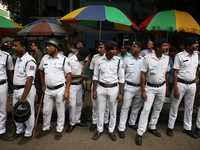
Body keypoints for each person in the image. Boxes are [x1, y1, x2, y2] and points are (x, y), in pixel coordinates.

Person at [135, 38, 170, 146]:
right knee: (146, 109)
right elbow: (142, 75)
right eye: (164, 46)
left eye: (167, 45)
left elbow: (167, 72)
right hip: (149, 88)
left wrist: (167, 86)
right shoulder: (148, 58)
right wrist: (143, 90)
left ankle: (152, 126)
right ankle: (140, 132)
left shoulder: (167, 58)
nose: (166, 47)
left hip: (162, 87)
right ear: (158, 47)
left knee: (158, 108)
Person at [36, 38, 71, 140]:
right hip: (48, 89)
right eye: (47, 46)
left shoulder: (64, 59)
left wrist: (67, 91)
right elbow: (40, 70)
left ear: (56, 48)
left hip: (60, 89)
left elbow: (69, 75)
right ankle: (45, 128)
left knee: (60, 110)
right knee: (46, 111)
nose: (47, 48)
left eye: (50, 46)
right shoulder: (44, 58)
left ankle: (59, 130)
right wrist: (43, 84)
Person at [166, 36, 199, 139]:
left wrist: (197, 78)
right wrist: (175, 88)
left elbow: (197, 67)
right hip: (181, 84)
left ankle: (187, 127)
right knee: (175, 106)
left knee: (189, 107)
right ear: (188, 45)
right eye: (195, 43)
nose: (197, 45)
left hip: (192, 84)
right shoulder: (179, 56)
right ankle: (170, 127)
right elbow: (175, 72)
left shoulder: (197, 55)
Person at [92, 40, 125, 141]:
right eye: (112, 49)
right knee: (100, 110)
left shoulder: (119, 61)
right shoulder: (99, 61)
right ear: (106, 50)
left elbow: (122, 78)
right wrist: (94, 90)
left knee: (113, 111)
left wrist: (120, 92)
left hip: (114, 89)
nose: (114, 51)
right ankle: (99, 129)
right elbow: (95, 76)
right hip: (101, 88)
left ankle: (111, 130)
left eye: (115, 49)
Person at [8, 38, 36, 145]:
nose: (14, 47)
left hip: (26, 90)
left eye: (16, 46)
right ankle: (19, 131)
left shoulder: (29, 60)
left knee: (28, 112)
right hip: (17, 89)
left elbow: (29, 79)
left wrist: (24, 96)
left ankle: (28, 134)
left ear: (23, 47)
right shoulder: (19, 59)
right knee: (17, 112)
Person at [118, 41, 143, 139]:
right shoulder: (126, 60)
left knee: (136, 107)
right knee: (125, 107)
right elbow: (122, 76)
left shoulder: (144, 60)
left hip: (140, 87)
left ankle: (132, 122)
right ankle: (121, 128)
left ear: (140, 49)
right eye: (132, 46)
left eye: (135, 46)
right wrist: (121, 90)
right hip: (129, 87)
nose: (132, 48)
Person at [66, 47, 90, 133]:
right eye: (84, 57)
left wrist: (83, 73)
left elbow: (87, 62)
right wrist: (80, 76)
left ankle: (78, 120)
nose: (85, 59)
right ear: (80, 55)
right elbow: (67, 75)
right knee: (72, 105)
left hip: (80, 85)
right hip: (71, 86)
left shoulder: (82, 60)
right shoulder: (70, 60)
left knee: (79, 103)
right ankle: (72, 123)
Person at [89, 40, 110, 131]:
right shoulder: (95, 57)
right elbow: (92, 70)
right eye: (98, 47)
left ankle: (105, 122)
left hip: (107, 85)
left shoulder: (111, 58)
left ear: (106, 48)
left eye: (101, 47)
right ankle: (94, 122)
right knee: (95, 104)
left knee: (107, 105)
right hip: (96, 84)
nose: (99, 49)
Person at [0, 37, 14, 141]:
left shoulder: (6, 56)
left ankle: (2, 130)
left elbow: (10, 72)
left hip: (2, 85)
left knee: (2, 109)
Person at [30, 41, 43, 106]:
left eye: (32, 45)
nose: (31, 47)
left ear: (36, 46)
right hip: (35, 72)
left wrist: (35, 71)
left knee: (38, 87)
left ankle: (41, 102)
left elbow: (39, 64)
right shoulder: (34, 53)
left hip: (37, 73)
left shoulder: (38, 53)